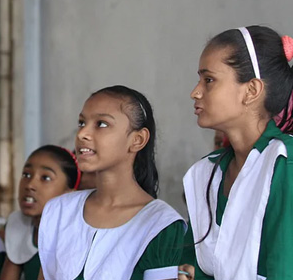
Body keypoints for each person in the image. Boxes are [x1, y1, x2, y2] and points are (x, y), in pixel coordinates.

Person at [179, 26, 293, 280]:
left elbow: (287, 273)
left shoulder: (284, 161)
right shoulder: (205, 173)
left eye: (208, 80)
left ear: (252, 90)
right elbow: (192, 269)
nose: (195, 92)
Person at [38, 86, 185, 280]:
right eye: (82, 122)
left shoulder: (161, 224)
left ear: (137, 140)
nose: (82, 134)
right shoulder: (59, 211)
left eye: (101, 124)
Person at [0, 145, 80, 280]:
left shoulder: (78, 235)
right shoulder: (19, 225)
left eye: (45, 178)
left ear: (69, 192)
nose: (30, 184)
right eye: (26, 174)